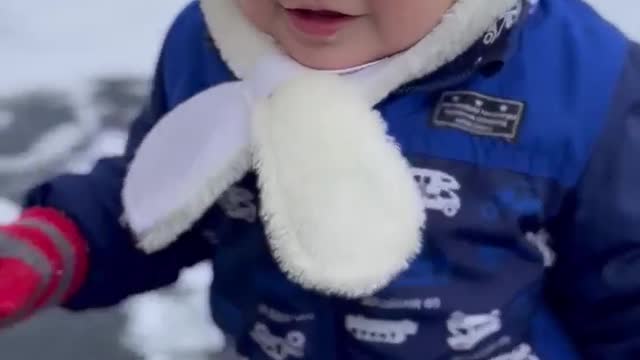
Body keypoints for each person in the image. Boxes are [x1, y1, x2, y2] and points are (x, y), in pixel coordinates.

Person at [1, 0, 639, 358]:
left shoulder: (581, 83)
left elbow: (626, 288)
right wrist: (59, 243)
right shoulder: (213, 44)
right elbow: (167, 191)